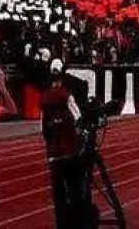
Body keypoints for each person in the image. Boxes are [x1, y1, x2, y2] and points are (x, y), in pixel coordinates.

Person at [41, 59, 87, 229]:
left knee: (59, 196)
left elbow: (44, 127)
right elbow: (78, 119)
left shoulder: (44, 98)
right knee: (75, 190)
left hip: (54, 154)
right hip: (70, 151)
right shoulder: (66, 96)